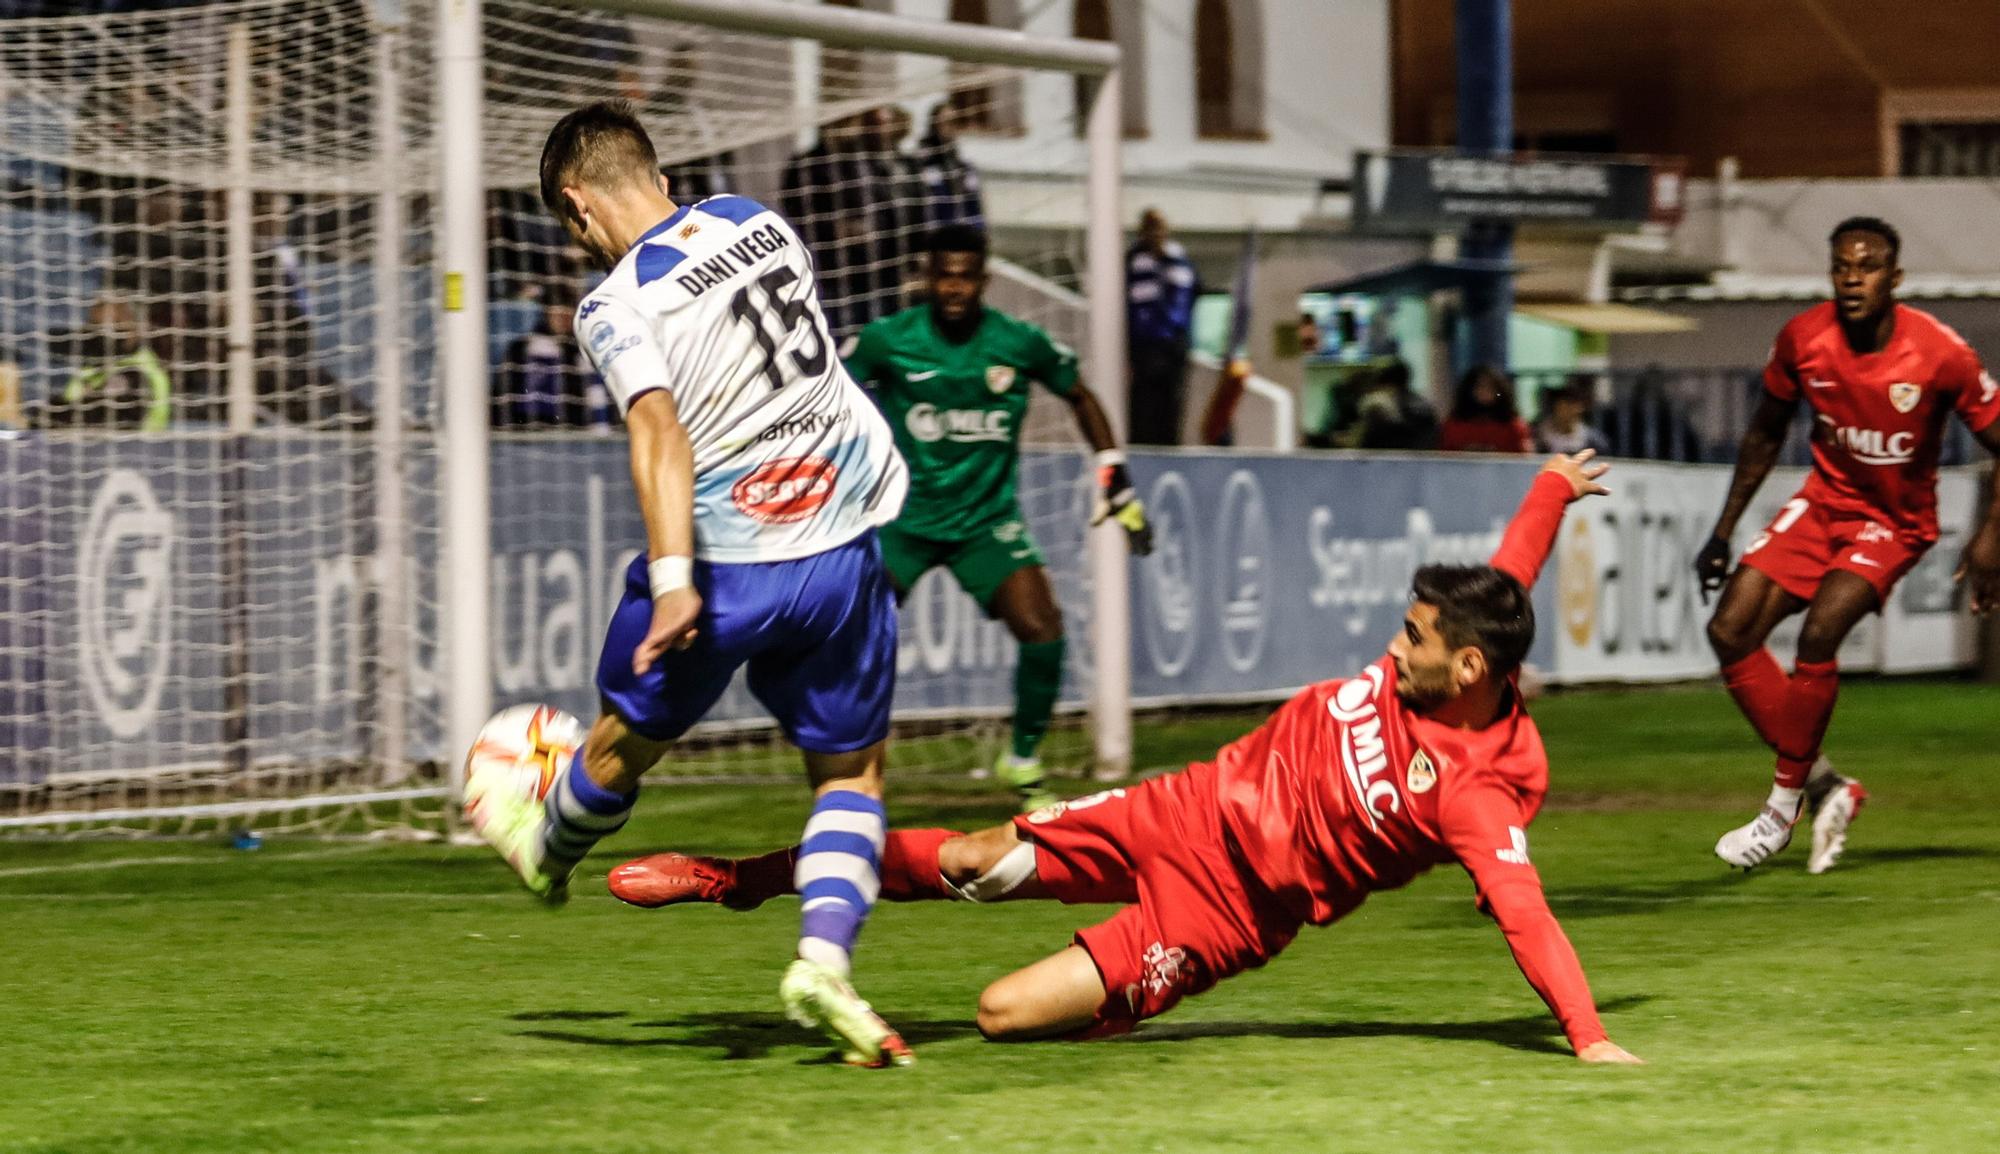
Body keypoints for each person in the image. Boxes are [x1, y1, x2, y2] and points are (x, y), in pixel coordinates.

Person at [610, 453, 1645, 1066]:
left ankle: (1129, 992)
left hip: (1224, 913)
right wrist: (1551, 483)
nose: (1390, 646)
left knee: (998, 1013)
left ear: (1465, 666)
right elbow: (1513, 562)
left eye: (1411, 640)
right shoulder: (1470, 642)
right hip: (1181, 807)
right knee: (972, 856)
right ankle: (737, 878)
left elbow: (1524, 910)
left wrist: (1588, 1036)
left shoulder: (1474, 791)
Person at [463, 102, 915, 1067]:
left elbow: (658, 430)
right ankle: (824, 964)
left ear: (577, 204)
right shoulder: (760, 219)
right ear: (657, 172)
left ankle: (548, 847)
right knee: (850, 774)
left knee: (625, 741)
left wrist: (673, 580)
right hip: (842, 540)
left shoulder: (612, 305)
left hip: (727, 564)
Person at [1696, 216, 2000, 872]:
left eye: (1866, 267)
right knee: (1729, 630)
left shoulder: (1941, 353)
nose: (1851, 278)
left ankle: (1780, 812)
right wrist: (1723, 532)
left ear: (1895, 278)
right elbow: (1764, 432)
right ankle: (1827, 785)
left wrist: (1990, 537)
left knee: (1819, 633)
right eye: (1841, 266)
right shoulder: (1804, 339)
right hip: (1822, 503)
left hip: (1893, 521)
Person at [845, 224, 1153, 810]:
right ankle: (852, 768)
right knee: (854, 638)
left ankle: (1022, 759)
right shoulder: (889, 339)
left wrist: (1113, 474)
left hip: (986, 523)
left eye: (965, 275)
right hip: (901, 519)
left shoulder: (1018, 342)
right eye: (944, 274)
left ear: (983, 280)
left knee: (1043, 629)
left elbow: (1081, 396)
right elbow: (831, 393)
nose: (954, 286)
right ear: (928, 277)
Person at [1124, 208, 1198, 445]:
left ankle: (1170, 446)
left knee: (1171, 404)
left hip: (1173, 344)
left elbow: (1193, 294)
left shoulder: (1179, 260)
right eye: (1150, 228)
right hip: (1145, 346)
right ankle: (1142, 446)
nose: (1156, 234)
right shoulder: (1133, 260)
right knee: (1145, 404)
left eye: (1159, 228)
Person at [492, 282, 607, 429]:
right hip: (520, 430)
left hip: (566, 432)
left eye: (568, 312)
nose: (563, 318)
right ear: (546, 313)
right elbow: (501, 396)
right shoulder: (520, 349)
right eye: (557, 313)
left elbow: (593, 399)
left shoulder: (579, 354)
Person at [913, 101, 985, 233]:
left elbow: (974, 206)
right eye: (946, 122)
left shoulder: (963, 167)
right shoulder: (921, 162)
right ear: (935, 124)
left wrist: (979, 232)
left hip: (962, 234)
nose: (951, 127)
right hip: (935, 235)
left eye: (954, 122)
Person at [1439, 364, 1532, 453]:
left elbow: (1523, 458)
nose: (1485, 391)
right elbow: (1443, 457)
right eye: (1480, 386)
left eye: (1490, 387)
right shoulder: (1454, 425)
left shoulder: (1513, 426)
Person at [1350, 359, 1440, 451]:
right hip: (1422, 457)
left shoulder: (1379, 405)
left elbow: (1366, 442)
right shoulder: (1421, 403)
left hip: (1390, 458)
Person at [1533, 379, 1609, 457]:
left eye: (1574, 407)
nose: (1570, 411)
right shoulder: (1537, 437)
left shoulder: (1594, 441)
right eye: (1565, 406)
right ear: (1556, 407)